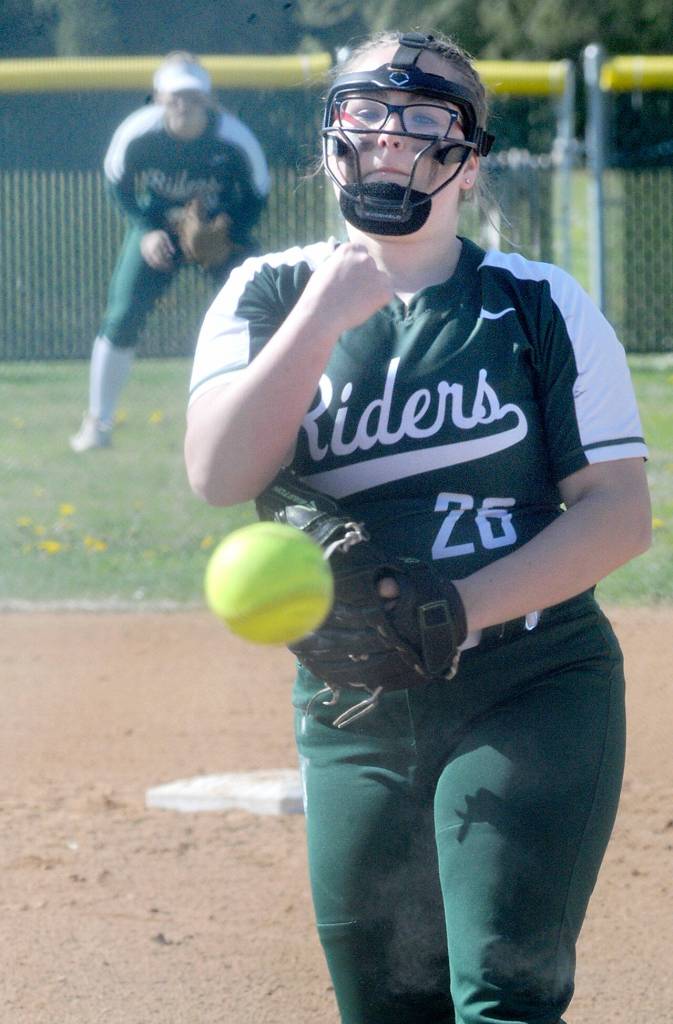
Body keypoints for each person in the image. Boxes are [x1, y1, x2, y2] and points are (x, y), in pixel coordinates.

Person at [185, 30, 651, 1024]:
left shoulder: (538, 304)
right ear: (330, 145)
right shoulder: (268, 292)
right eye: (365, 119)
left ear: (468, 161)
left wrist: (458, 607)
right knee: (386, 1009)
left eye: (425, 122)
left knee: (503, 995)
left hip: (529, 681)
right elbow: (220, 472)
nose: (390, 143)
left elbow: (618, 514)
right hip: (352, 706)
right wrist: (322, 315)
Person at [70, 51, 270, 452]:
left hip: (217, 229)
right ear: (159, 99)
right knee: (123, 315)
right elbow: (118, 184)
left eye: (193, 97)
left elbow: (257, 194)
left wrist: (229, 229)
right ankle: (98, 423)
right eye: (176, 96)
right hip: (159, 225)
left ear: (208, 101)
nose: (184, 105)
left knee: (258, 314)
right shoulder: (138, 133)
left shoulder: (233, 138)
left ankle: (264, 421)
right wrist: (144, 230)